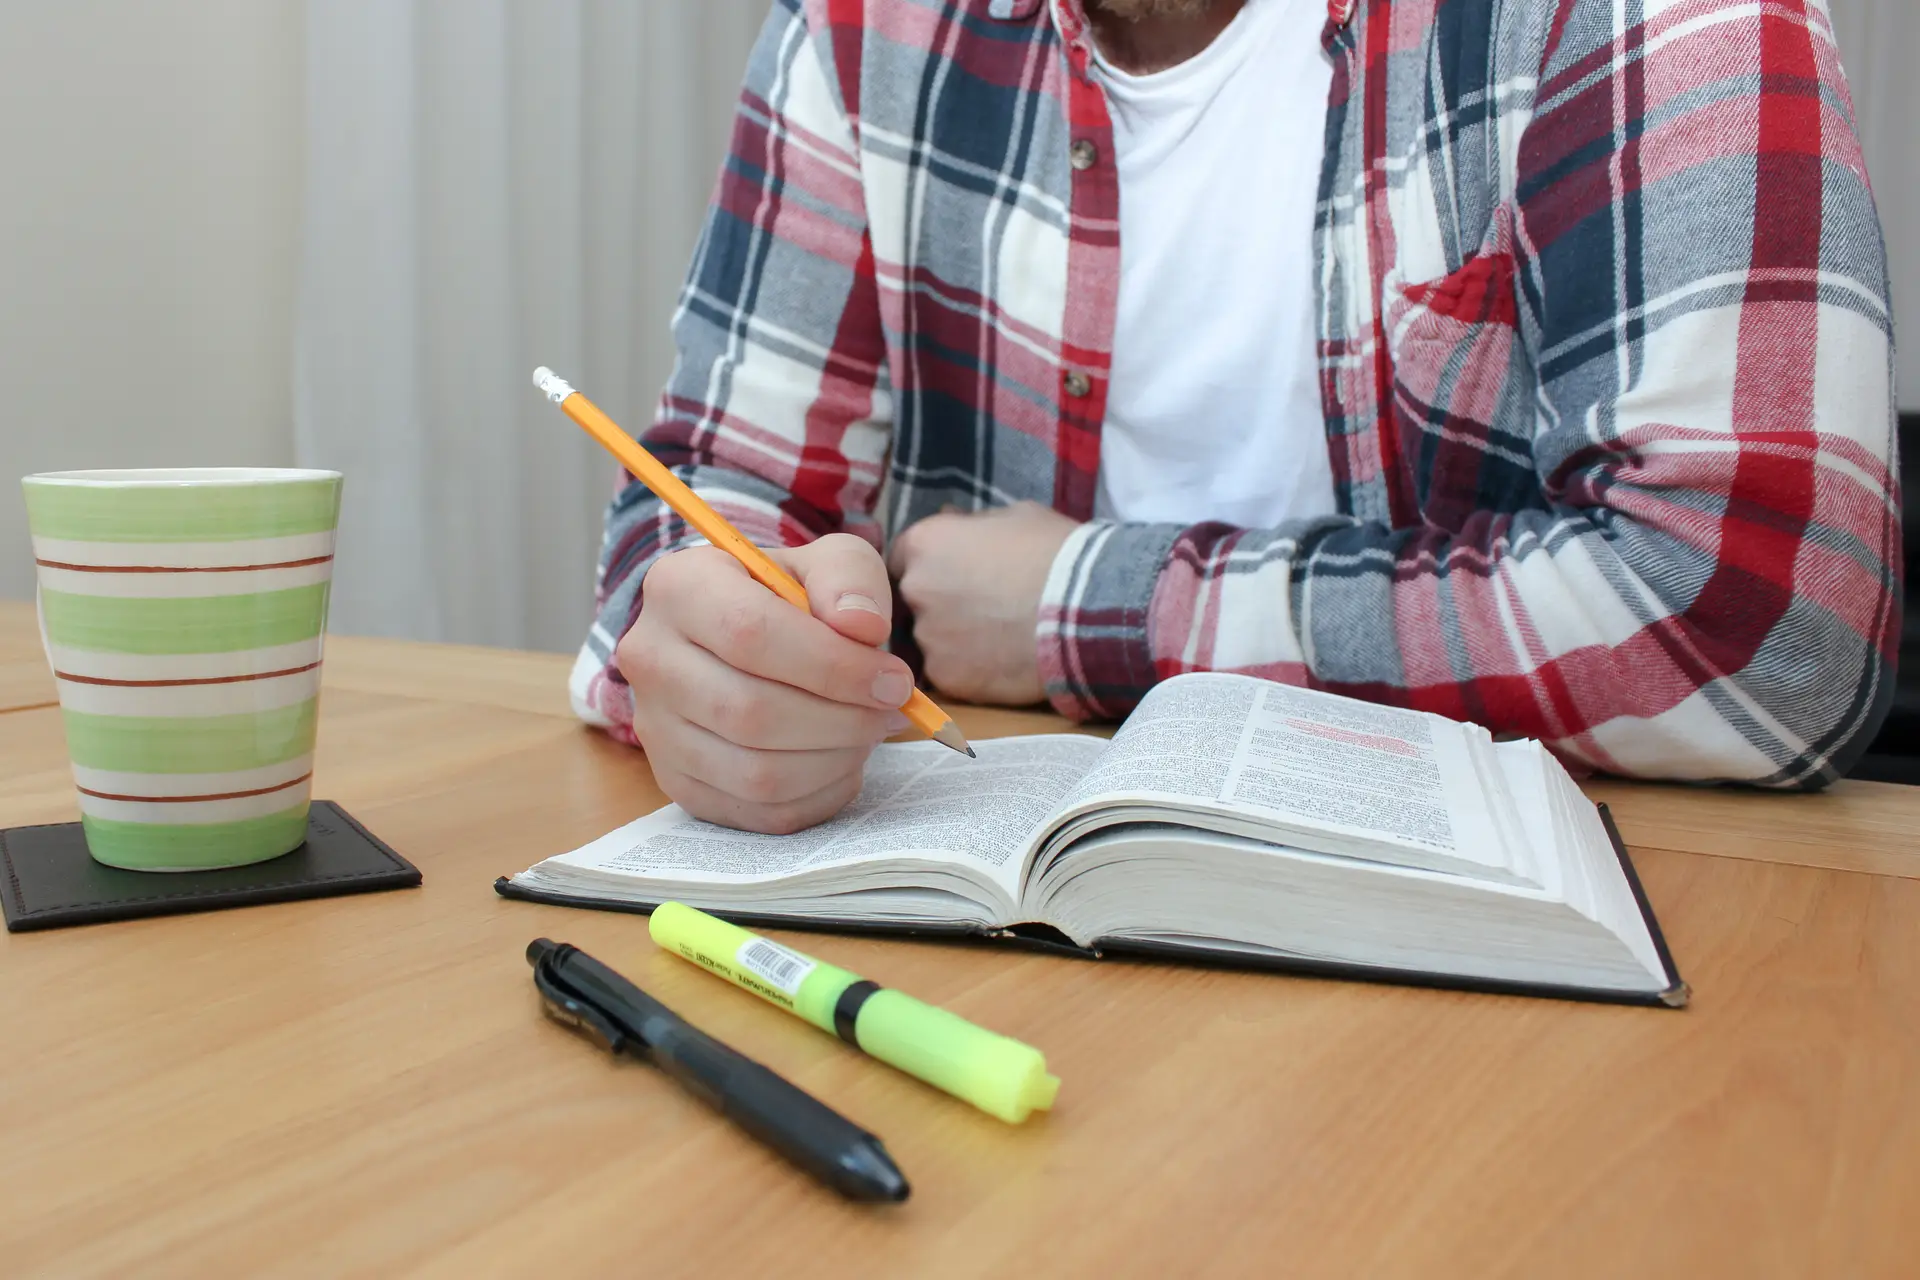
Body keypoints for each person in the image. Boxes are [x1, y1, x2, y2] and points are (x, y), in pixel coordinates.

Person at [570, 0, 1900, 835]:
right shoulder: (855, 33)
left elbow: (1759, 635)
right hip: (1006, 934)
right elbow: (714, 486)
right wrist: (711, 642)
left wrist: (1079, 606)